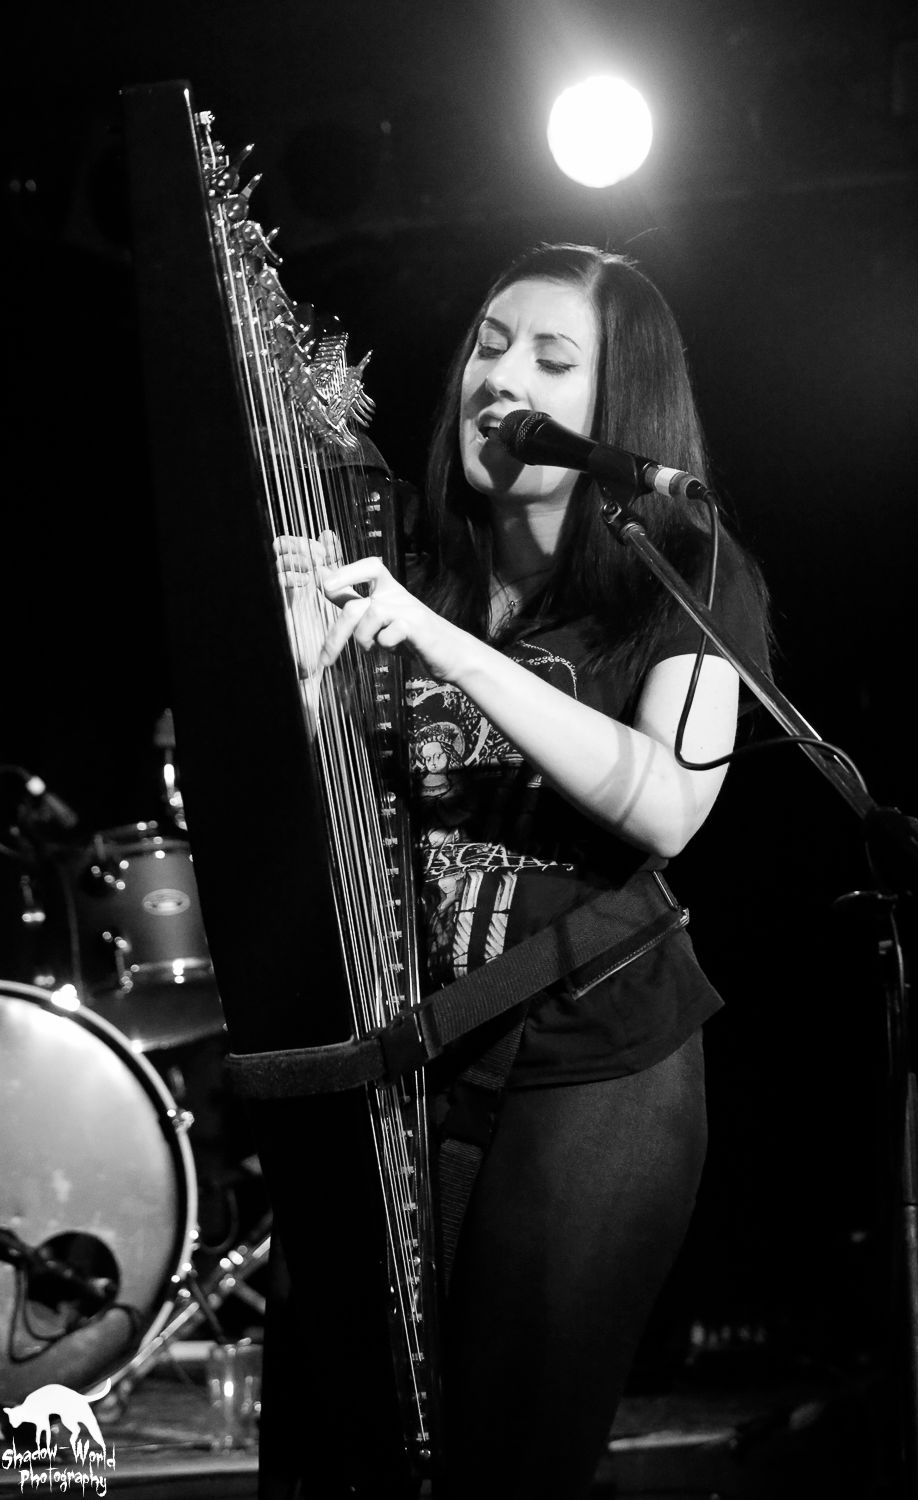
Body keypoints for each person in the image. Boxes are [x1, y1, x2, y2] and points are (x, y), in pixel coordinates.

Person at [278, 243, 770, 1498]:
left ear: (621, 407)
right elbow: (330, 820)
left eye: (552, 361)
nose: (501, 380)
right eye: (490, 347)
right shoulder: (403, 559)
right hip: (408, 1057)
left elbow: (666, 803)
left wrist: (444, 647)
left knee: (511, 1463)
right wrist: (298, 674)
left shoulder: (684, 575)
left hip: (594, 1067)